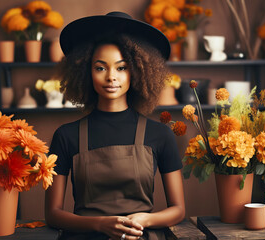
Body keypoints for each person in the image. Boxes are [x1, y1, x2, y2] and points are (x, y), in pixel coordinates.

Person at [45, 11, 185, 240]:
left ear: (138, 72)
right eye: (100, 68)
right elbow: (52, 214)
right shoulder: (66, 136)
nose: (111, 77)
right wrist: (100, 224)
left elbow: (178, 209)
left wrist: (144, 219)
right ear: (86, 72)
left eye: (121, 68)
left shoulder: (159, 135)